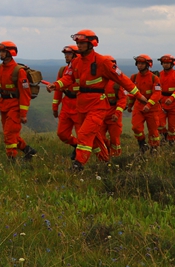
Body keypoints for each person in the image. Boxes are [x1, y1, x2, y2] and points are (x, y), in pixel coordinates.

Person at [47, 30, 142, 171]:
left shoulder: (103, 61)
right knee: (95, 137)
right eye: (77, 43)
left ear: (92, 44)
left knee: (85, 134)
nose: (79, 45)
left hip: (97, 105)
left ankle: (78, 165)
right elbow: (68, 78)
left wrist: (139, 96)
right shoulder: (75, 62)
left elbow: (122, 79)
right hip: (81, 104)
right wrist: (57, 85)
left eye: (82, 43)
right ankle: (105, 162)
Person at [0, 42, 36, 161]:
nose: (0, 53)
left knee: (9, 134)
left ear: (10, 53)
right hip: (3, 105)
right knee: (10, 133)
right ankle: (28, 150)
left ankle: (11, 159)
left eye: (3, 51)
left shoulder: (19, 71)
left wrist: (23, 114)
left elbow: (25, 94)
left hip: (15, 106)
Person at [126, 54, 162, 154]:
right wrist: (129, 105)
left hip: (152, 108)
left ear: (147, 65)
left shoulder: (154, 78)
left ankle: (154, 149)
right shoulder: (134, 77)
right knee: (136, 127)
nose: (140, 65)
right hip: (138, 106)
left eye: (142, 63)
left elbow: (157, 93)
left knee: (153, 131)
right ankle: (142, 144)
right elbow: (132, 92)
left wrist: (149, 105)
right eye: (138, 63)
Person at [52, 45, 81, 158]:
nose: (66, 56)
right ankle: (77, 146)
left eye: (69, 54)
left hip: (79, 105)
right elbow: (59, 89)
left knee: (81, 134)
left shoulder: (82, 70)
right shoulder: (63, 70)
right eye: (65, 54)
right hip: (66, 105)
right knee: (62, 134)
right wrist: (55, 105)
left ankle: (79, 159)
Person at [102, 75, 127, 157]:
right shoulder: (98, 82)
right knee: (99, 136)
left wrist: (117, 114)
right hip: (101, 114)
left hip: (113, 115)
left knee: (114, 139)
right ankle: (106, 152)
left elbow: (122, 99)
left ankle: (116, 157)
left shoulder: (116, 84)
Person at [157, 55, 175, 144]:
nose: (165, 65)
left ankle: (171, 141)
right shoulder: (159, 75)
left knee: (172, 126)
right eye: (164, 63)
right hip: (162, 102)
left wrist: (172, 98)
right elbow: (156, 88)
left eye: (167, 63)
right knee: (159, 123)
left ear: (172, 63)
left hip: (173, 104)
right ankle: (164, 137)